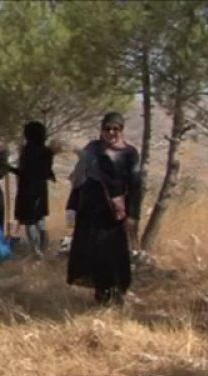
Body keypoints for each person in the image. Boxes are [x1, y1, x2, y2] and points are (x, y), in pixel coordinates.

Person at [66, 112, 140, 305]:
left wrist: (132, 214)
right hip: (89, 209)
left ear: (121, 130)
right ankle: (101, 293)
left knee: (114, 253)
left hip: (114, 212)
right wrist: (72, 207)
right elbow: (78, 180)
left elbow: (135, 185)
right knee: (93, 253)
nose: (111, 132)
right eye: (107, 128)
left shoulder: (129, 153)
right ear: (101, 130)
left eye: (116, 128)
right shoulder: (92, 150)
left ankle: (117, 291)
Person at [14, 121, 56, 258]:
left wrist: (9, 168)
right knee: (40, 220)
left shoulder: (27, 151)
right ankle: (43, 249)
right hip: (41, 190)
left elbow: (24, 172)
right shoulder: (47, 152)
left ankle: (36, 251)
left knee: (30, 221)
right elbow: (47, 172)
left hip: (27, 190)